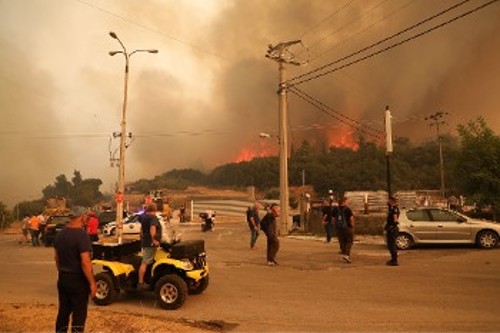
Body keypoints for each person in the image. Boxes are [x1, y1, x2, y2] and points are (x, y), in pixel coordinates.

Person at [53, 206, 97, 333]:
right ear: (82, 216)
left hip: (63, 278)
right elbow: (85, 261)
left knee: (63, 313)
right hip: (78, 280)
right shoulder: (82, 235)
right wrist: (92, 283)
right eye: (87, 216)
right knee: (79, 315)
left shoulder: (60, 234)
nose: (87, 218)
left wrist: (62, 272)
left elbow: (56, 258)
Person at [138, 203, 162, 289]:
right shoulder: (153, 218)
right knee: (145, 262)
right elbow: (152, 228)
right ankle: (141, 282)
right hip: (150, 243)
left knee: (148, 261)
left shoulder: (144, 217)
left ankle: (148, 278)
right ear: (155, 210)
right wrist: (154, 240)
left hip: (145, 241)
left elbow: (141, 230)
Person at [334, 197, 355, 263]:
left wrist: (336, 226)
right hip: (347, 227)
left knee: (342, 241)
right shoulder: (347, 209)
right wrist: (352, 226)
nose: (347, 202)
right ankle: (347, 255)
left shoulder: (336, 209)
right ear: (344, 202)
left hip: (339, 228)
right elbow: (351, 218)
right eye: (346, 201)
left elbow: (333, 219)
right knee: (349, 241)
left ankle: (344, 252)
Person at [385, 196, 400, 266]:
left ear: (391, 201)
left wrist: (392, 226)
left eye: (389, 201)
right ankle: (393, 258)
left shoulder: (394, 209)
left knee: (392, 244)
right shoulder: (391, 208)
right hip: (390, 228)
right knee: (390, 244)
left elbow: (395, 219)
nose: (387, 202)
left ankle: (394, 260)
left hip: (392, 229)